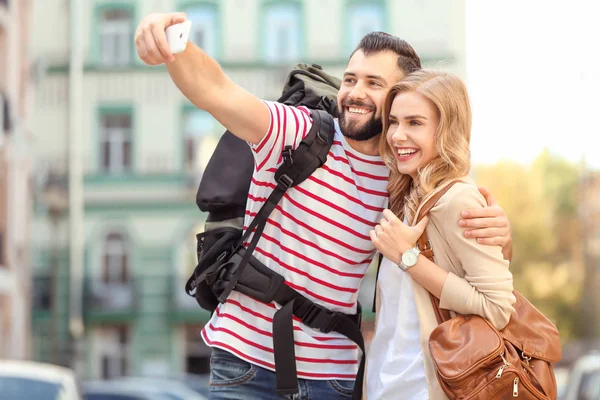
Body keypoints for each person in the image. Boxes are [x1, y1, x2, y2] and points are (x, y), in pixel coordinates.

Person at [134, 12, 513, 400]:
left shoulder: (403, 175)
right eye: (351, 79)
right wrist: (174, 47)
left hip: (334, 377)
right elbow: (218, 91)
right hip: (247, 362)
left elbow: (461, 247)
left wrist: (500, 230)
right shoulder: (298, 132)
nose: (355, 92)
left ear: (401, 97)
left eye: (374, 83)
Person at [367, 70, 517, 400]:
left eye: (415, 123)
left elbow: (497, 306)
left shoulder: (457, 199)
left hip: (429, 388)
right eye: (394, 122)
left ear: (445, 130)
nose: (397, 135)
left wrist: (408, 258)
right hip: (389, 387)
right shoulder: (407, 197)